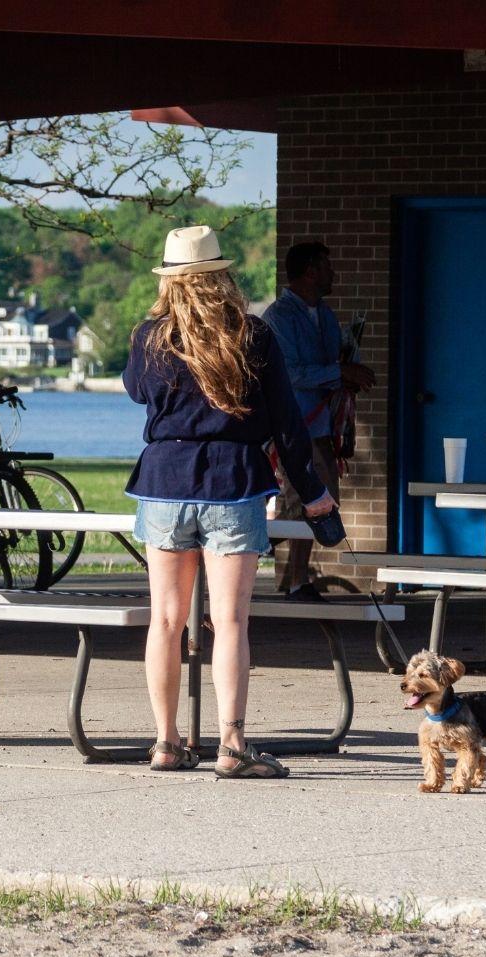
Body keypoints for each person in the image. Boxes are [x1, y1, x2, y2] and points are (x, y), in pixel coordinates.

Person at [123, 225, 334, 779]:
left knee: (166, 620)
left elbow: (137, 390)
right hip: (234, 481)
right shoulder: (254, 335)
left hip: (163, 481)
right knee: (231, 622)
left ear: (169, 281)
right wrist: (312, 493)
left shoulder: (149, 336)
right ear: (222, 276)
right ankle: (232, 745)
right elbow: (288, 425)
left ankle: (166, 742)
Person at [262, 241, 375, 601]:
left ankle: (296, 577)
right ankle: (258, 551)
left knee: (320, 501)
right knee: (297, 502)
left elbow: (327, 371)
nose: (334, 274)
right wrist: (340, 371)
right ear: (310, 271)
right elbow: (290, 373)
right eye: (327, 267)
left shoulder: (326, 316)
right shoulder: (278, 317)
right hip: (291, 426)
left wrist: (347, 373)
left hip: (322, 425)